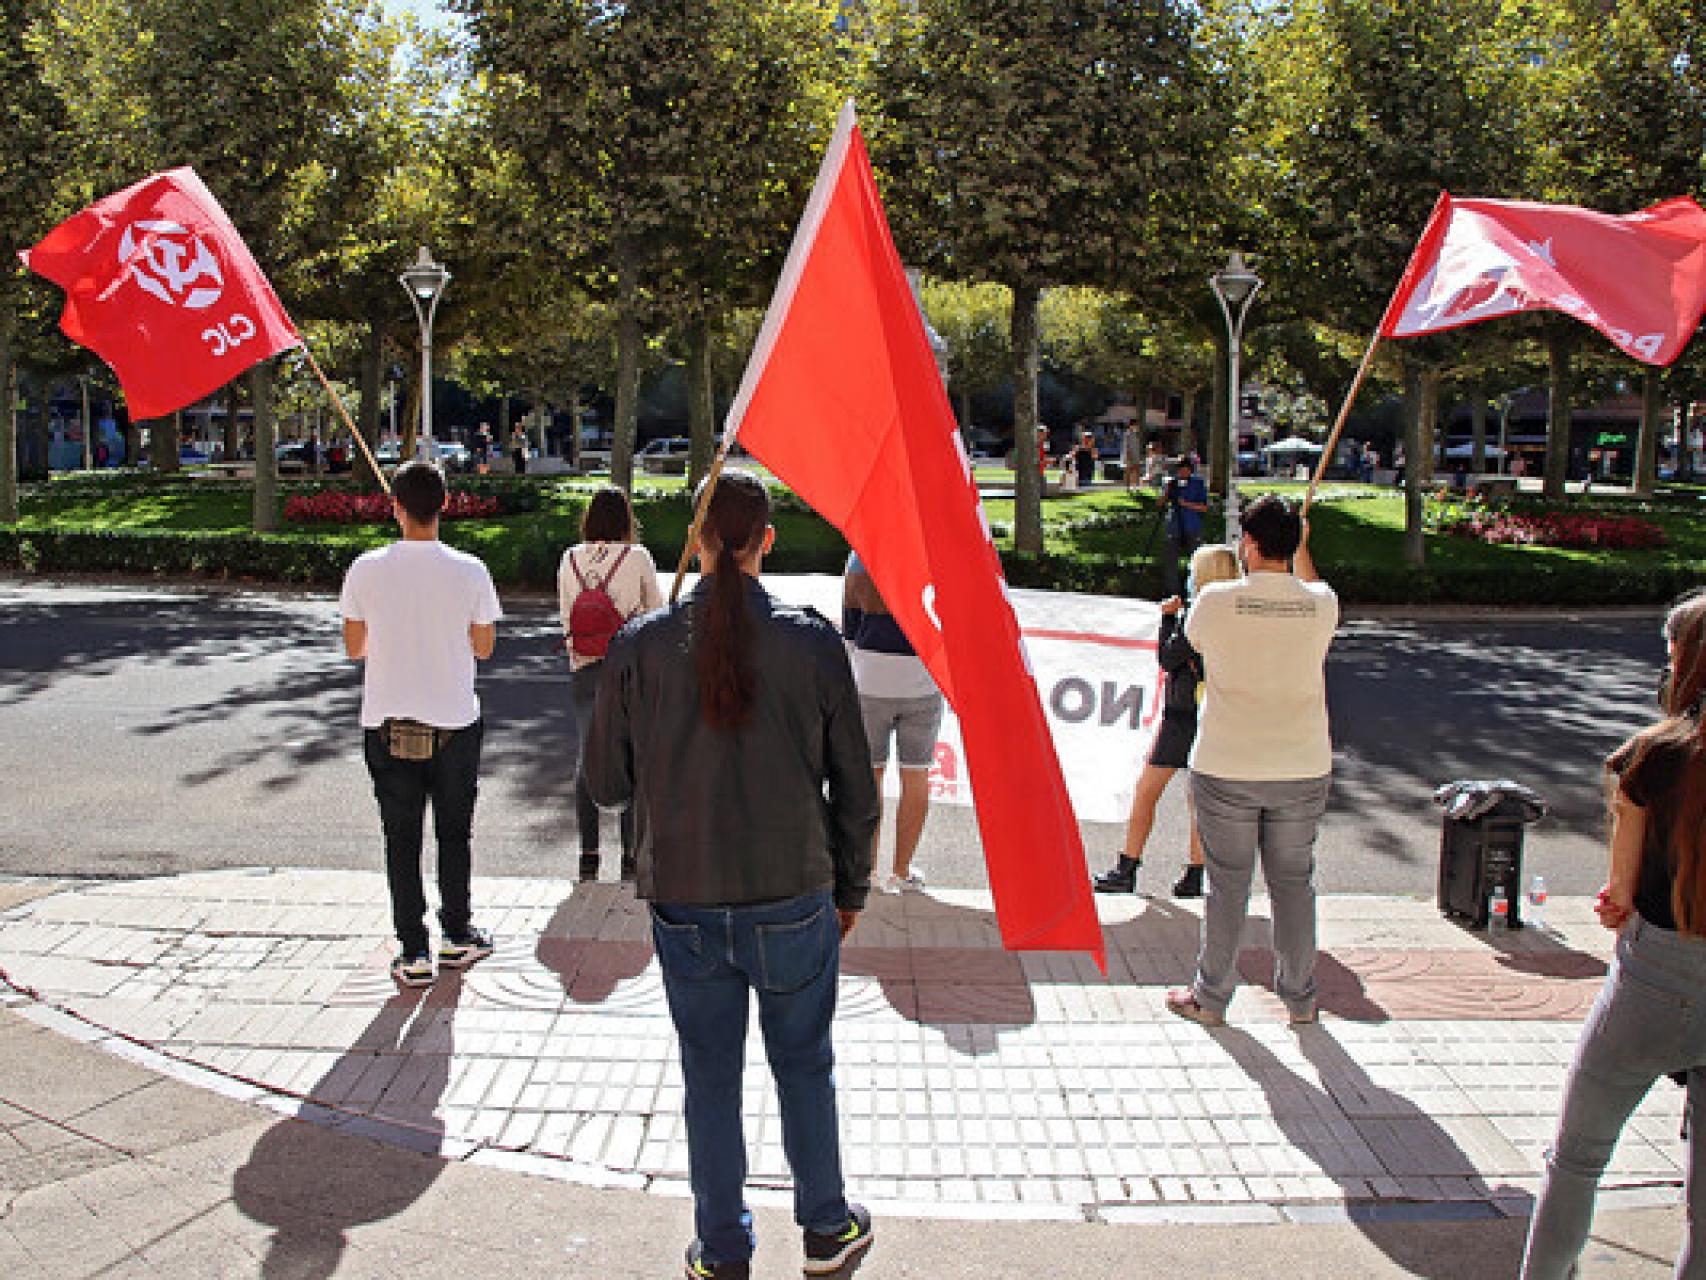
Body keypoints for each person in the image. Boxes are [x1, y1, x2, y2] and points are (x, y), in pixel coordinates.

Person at [585, 470, 879, 1280]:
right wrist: (851, 888)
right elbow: (856, 787)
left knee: (709, 1077)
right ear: (766, 541)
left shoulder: (641, 644)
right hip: (795, 888)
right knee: (804, 1063)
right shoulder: (811, 641)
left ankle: (722, 1248)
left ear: (697, 538)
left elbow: (605, 783)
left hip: (684, 894)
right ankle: (825, 1227)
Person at [1520, 590, 1706, 1280]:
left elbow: (1619, 900)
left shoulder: (1651, 759)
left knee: (1577, 1158)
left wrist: (1616, 903)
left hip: (1656, 977)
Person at [1165, 494, 1337, 1028]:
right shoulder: (1321, 604)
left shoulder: (1216, 601)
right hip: (1302, 763)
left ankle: (1211, 997)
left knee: (1227, 887)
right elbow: (1312, 588)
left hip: (1227, 762)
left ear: (1250, 543)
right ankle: (1301, 998)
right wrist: (1301, 548)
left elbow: (1192, 643)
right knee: (1294, 885)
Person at [339, 461, 501, 988]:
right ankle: (457, 932)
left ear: (396, 508)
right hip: (454, 719)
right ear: (445, 504)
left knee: (401, 836)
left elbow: (354, 647)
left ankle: (412, 948)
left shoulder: (365, 570)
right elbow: (484, 647)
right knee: (454, 832)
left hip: (388, 719)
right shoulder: (471, 571)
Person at [1092, 544, 1241, 897]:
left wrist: (1168, 619)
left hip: (1181, 715)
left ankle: (1127, 867)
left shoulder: (1199, 614)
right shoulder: (1235, 616)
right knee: (1197, 798)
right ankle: (1194, 874)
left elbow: (1169, 657)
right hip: (1214, 712)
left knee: (1147, 791)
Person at [558, 486, 663, 883]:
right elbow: (656, 614)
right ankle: (631, 855)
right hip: (629, 669)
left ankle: (588, 854)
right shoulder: (637, 557)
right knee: (632, 756)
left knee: (588, 756)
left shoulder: (569, 558)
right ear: (625, 521)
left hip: (585, 669)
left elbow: (566, 617)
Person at [843, 551, 944, 894]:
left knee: (870, 775)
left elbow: (850, 625)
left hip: (871, 678)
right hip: (923, 679)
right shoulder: (935, 553)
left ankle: (867, 871)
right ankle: (901, 872)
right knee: (916, 774)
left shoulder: (861, 555)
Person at [1159, 456, 1209, 597]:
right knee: (1171, 561)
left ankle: (1195, 590)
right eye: (1180, 470)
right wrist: (1167, 491)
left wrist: (1186, 504)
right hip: (1174, 526)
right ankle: (1173, 592)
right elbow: (1160, 503)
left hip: (1192, 525)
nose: (1183, 473)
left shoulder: (1198, 483)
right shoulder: (1172, 483)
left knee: (1197, 559)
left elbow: (1204, 507)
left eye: (1185, 470)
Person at [1121, 425, 1144, 492]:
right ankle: (1128, 488)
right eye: (1136, 425)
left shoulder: (1137, 434)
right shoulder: (1127, 434)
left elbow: (1138, 447)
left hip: (1136, 455)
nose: (1137, 427)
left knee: (1137, 471)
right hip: (1129, 456)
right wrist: (1128, 455)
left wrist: (1140, 456)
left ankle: (1136, 487)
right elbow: (1126, 446)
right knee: (1129, 472)